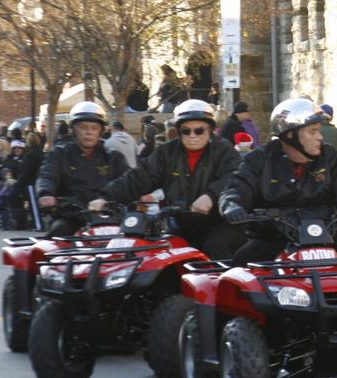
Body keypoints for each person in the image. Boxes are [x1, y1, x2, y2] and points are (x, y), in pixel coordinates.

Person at [218, 97, 337, 266]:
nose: (319, 137)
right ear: (290, 135)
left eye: (319, 130)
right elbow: (237, 187)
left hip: (326, 237)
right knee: (238, 271)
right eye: (312, 131)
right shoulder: (259, 159)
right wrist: (232, 204)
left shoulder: (329, 156)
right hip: (273, 240)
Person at [89, 100, 245, 259]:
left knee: (216, 246)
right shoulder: (166, 153)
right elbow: (139, 177)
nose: (192, 136)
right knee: (162, 251)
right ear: (178, 131)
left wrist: (211, 196)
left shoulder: (224, 150)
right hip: (182, 223)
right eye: (186, 131)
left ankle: (220, 283)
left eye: (199, 131)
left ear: (210, 130)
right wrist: (106, 197)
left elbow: (235, 177)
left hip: (220, 222)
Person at [36, 102, 131, 237]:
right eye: (83, 127)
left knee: (136, 235)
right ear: (73, 130)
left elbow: (128, 180)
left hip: (109, 216)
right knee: (58, 233)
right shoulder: (59, 155)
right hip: (71, 216)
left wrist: (143, 193)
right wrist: (46, 194)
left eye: (94, 128)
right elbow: (47, 175)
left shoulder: (113, 157)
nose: (89, 132)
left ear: (101, 131)